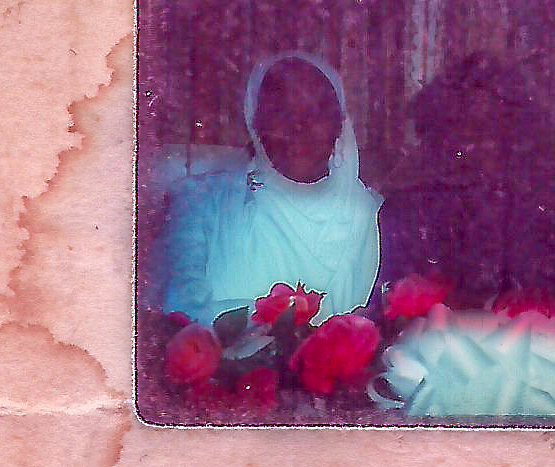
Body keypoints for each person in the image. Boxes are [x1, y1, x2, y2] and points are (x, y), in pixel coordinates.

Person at [374, 51, 555, 309]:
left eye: (492, 124)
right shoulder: (410, 211)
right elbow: (395, 308)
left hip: (554, 343)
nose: (477, 142)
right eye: (462, 124)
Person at [151, 52, 382, 324]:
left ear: (339, 124)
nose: (299, 125)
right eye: (280, 111)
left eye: (317, 111)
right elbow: (177, 311)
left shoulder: (372, 216)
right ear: (255, 122)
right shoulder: (201, 202)